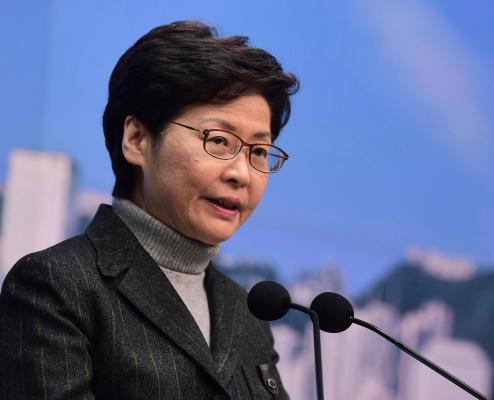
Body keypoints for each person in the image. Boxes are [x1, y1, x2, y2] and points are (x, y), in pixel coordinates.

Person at [0, 20, 298, 399]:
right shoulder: (57, 286)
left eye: (258, 151)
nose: (241, 173)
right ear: (137, 139)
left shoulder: (247, 311)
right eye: (219, 141)